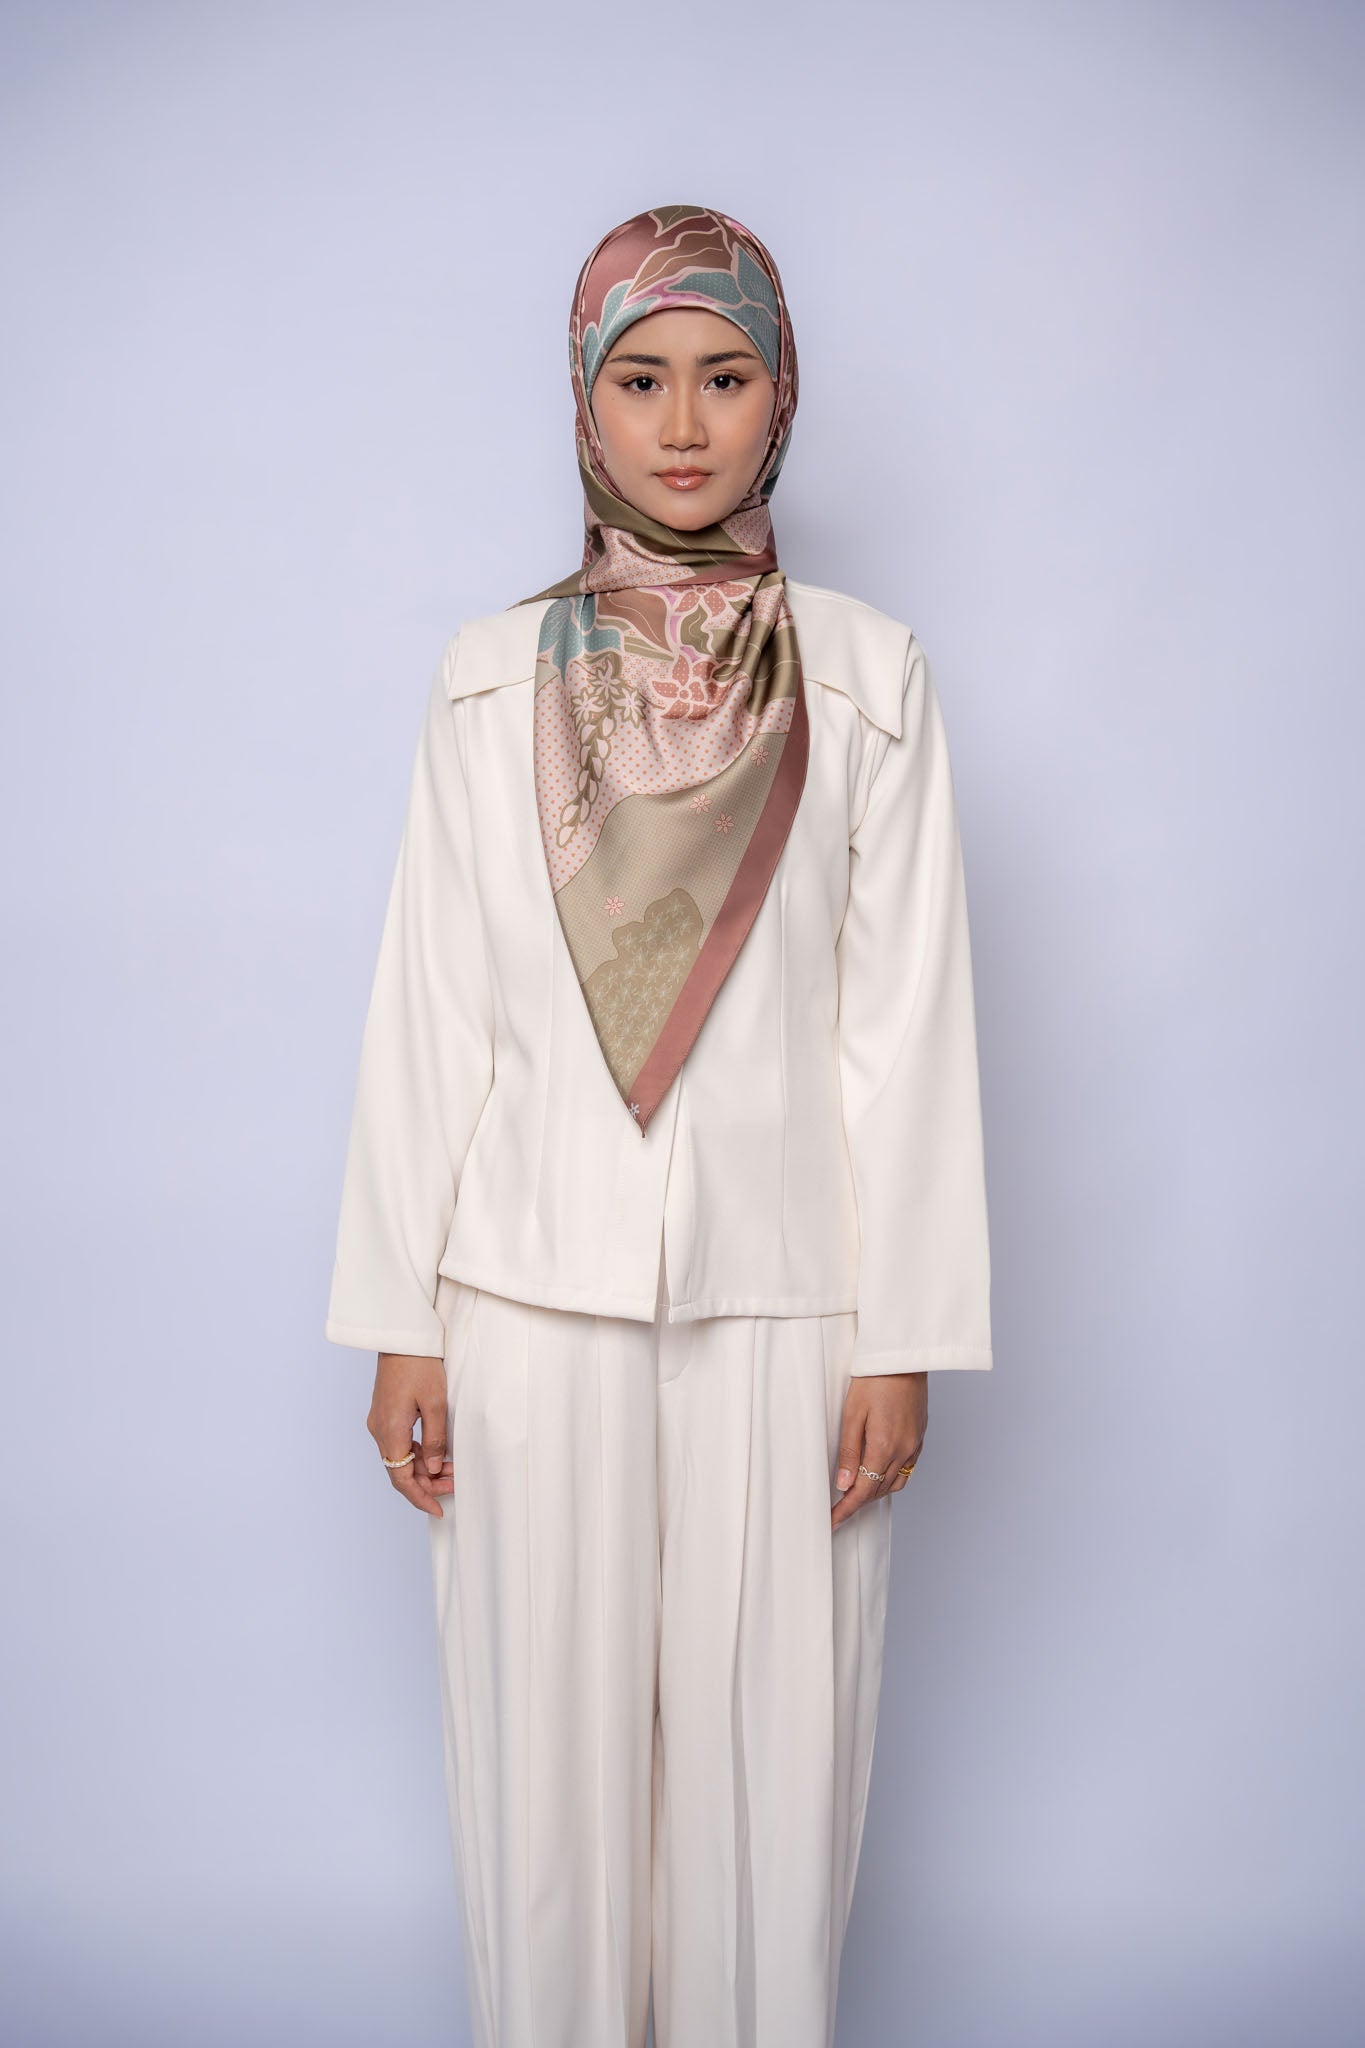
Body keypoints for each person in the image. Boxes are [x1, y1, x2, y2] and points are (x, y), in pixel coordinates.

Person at [324, 203, 993, 2048]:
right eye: (638, 379)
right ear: (581, 400)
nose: (682, 422)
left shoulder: (865, 677)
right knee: (540, 1787)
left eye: (723, 374)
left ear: (784, 399)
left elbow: (903, 1026)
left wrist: (903, 1335)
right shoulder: (488, 679)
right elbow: (431, 1007)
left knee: (775, 1781)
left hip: (792, 1310)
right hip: (522, 1298)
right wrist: (400, 1315)